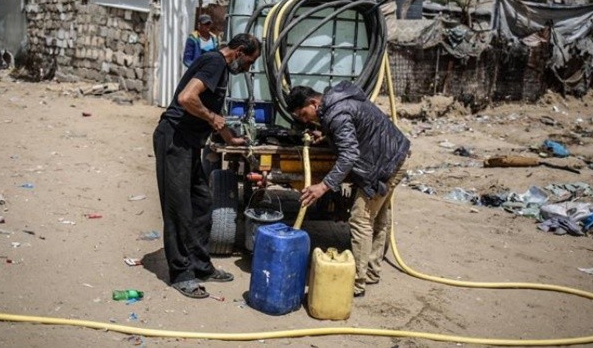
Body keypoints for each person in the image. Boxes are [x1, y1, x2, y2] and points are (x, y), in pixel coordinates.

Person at [153, 33, 261, 299]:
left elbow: (215, 116)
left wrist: (231, 138)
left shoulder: (221, 70)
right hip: (174, 139)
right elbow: (187, 98)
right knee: (178, 209)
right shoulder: (214, 63)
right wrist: (212, 118)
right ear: (238, 52)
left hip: (190, 143)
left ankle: (201, 266)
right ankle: (181, 274)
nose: (248, 68)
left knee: (202, 204)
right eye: (249, 61)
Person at [287, 81, 410, 298]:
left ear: (314, 103)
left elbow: (349, 155)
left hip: (384, 165)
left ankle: (357, 282)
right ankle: (371, 272)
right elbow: (356, 129)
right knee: (378, 217)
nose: (305, 120)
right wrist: (327, 136)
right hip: (393, 156)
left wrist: (322, 186)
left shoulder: (336, 114)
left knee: (360, 219)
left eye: (304, 114)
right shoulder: (337, 100)